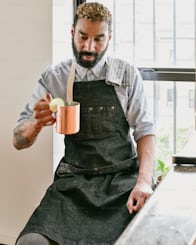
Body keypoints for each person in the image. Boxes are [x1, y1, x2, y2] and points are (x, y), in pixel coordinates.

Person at [13, 2, 155, 245]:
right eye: (83, 37)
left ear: (109, 38)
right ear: (72, 32)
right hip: (73, 183)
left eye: (98, 39)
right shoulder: (53, 77)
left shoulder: (127, 75)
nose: (89, 47)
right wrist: (36, 123)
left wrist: (143, 181)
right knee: (30, 242)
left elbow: (145, 131)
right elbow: (18, 140)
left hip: (120, 181)